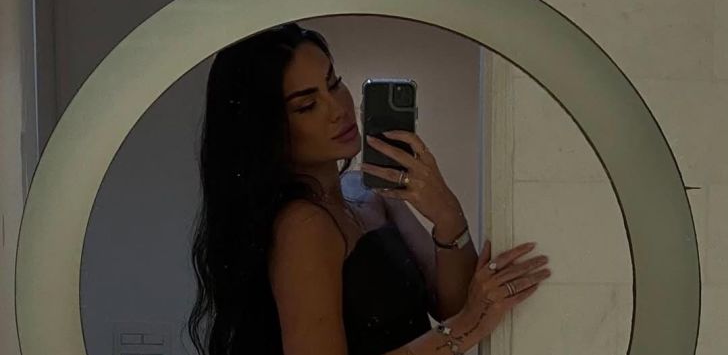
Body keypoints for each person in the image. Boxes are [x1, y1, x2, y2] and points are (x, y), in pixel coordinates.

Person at [187, 22, 551, 355]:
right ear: (266, 131)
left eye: (334, 83)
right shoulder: (303, 226)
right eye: (308, 105)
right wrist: (468, 325)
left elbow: (451, 303)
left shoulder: (366, 191)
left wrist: (445, 211)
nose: (338, 108)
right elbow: (463, 315)